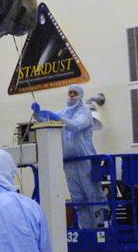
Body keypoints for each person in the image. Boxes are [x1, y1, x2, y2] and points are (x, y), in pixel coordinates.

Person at [32, 85, 105, 228]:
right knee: (78, 197)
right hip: (69, 161)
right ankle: (86, 230)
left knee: (93, 193)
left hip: (85, 160)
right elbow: (47, 119)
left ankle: (101, 227)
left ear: (80, 95)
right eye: (70, 92)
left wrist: (58, 118)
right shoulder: (65, 112)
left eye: (75, 93)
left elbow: (76, 125)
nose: (71, 95)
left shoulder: (85, 112)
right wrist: (38, 113)